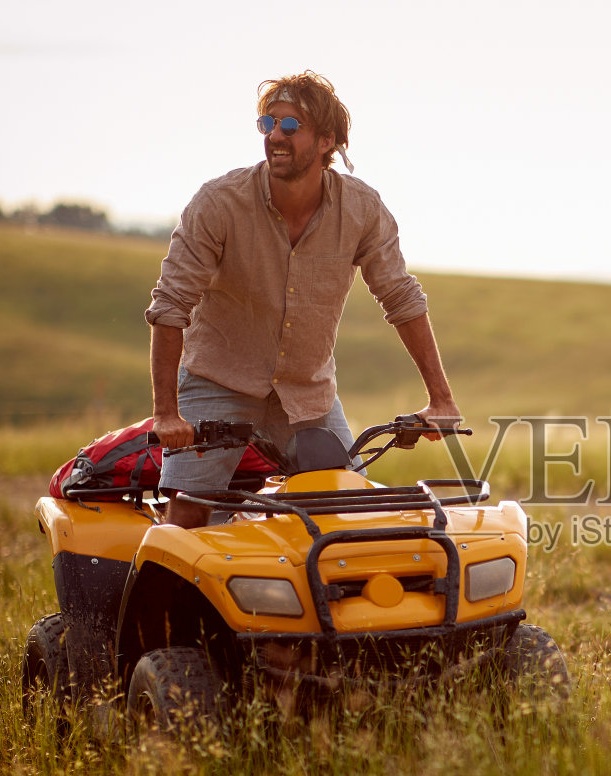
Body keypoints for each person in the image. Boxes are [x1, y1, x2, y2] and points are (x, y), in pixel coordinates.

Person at [144, 71, 460, 529]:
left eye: (289, 126)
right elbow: (171, 304)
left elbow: (401, 296)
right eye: (266, 125)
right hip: (219, 379)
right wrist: (166, 413)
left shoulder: (362, 210)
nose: (274, 136)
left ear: (326, 139)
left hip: (307, 391)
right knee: (191, 509)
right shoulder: (218, 203)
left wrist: (441, 400)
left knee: (346, 509)